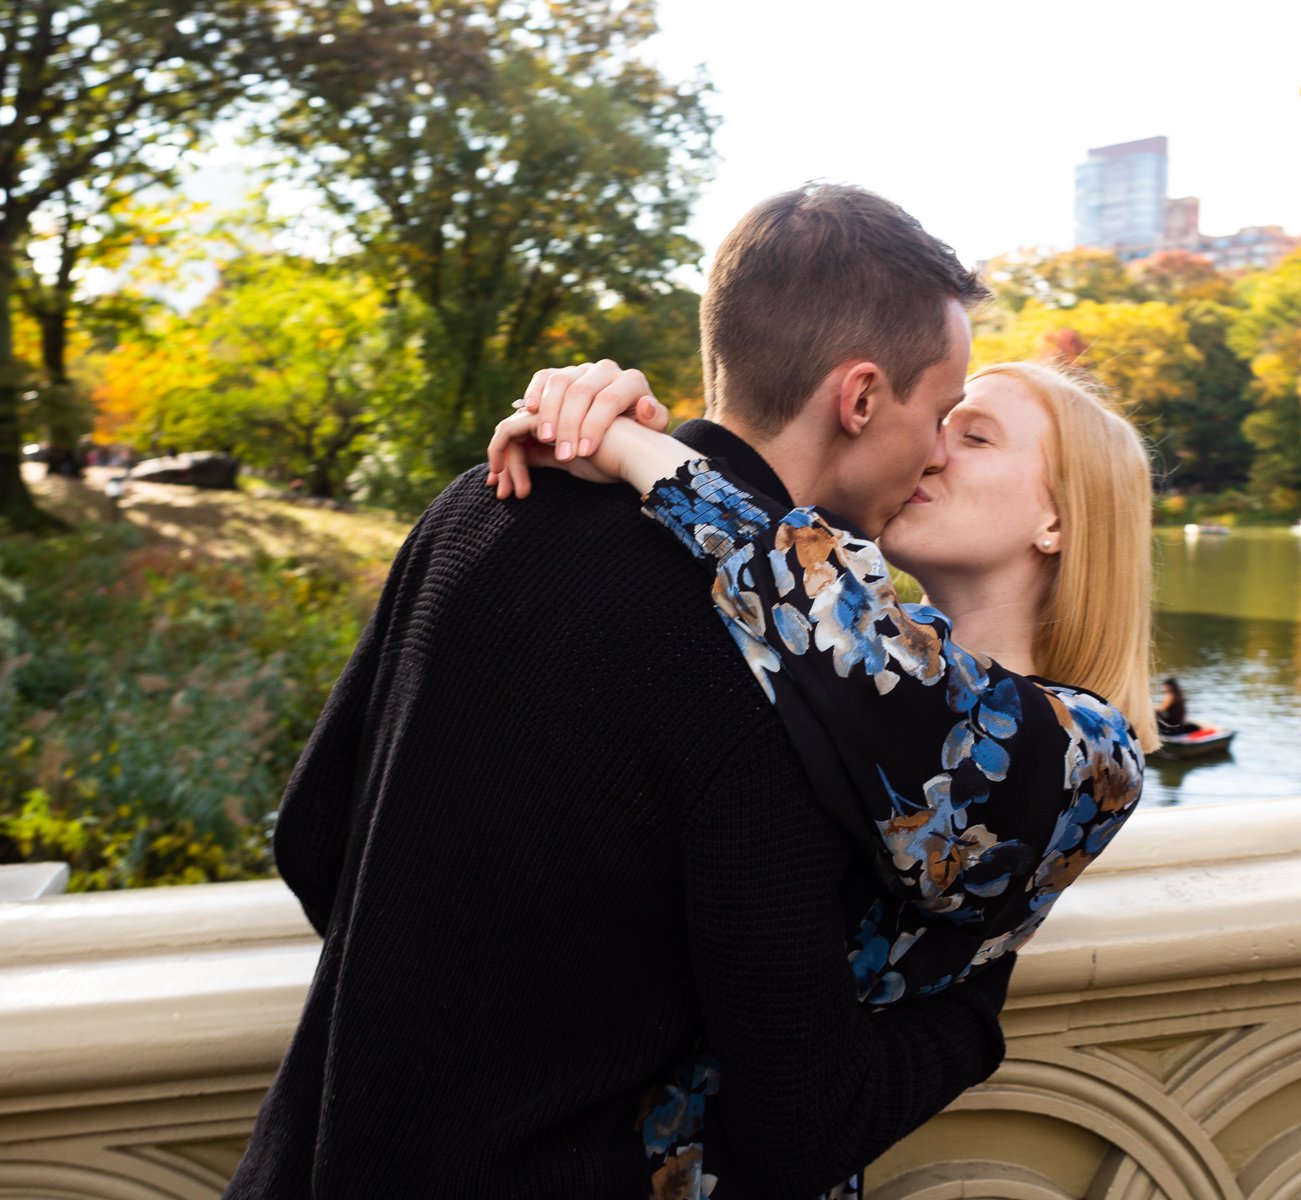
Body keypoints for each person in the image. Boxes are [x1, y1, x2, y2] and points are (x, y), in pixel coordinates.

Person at [226, 185, 1013, 1200]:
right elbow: (801, 1116)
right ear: (860, 398)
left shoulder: (482, 502)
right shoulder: (781, 663)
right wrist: (973, 1006)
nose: (940, 450)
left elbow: (312, 839)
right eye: (940, 412)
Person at [486, 357, 1158, 1196]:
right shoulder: (806, 654)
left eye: (975, 435)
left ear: (1058, 522)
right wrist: (601, 433)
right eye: (940, 422)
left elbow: (854, 640)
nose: (933, 451)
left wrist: (639, 452)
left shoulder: (1095, 753)